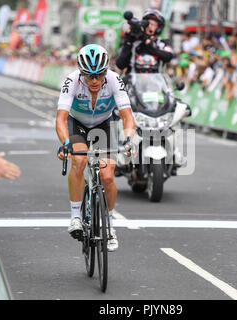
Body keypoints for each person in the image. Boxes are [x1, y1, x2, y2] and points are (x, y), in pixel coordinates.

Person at [56, 44, 136, 252]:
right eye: (89, 76)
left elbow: (127, 116)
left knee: (107, 175)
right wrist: (65, 144)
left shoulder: (114, 81)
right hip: (78, 123)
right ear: (81, 72)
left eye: (99, 75)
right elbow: (61, 119)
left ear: (106, 72)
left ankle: (109, 225)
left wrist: (128, 140)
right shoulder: (71, 81)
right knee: (80, 160)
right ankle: (75, 216)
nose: (94, 81)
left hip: (105, 124)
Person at [115, 9, 174, 74]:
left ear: (159, 27)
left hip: (156, 82)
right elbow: (120, 65)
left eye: (153, 24)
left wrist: (147, 41)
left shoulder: (162, 43)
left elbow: (168, 56)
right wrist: (128, 42)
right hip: (135, 82)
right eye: (147, 23)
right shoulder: (135, 43)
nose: (149, 26)